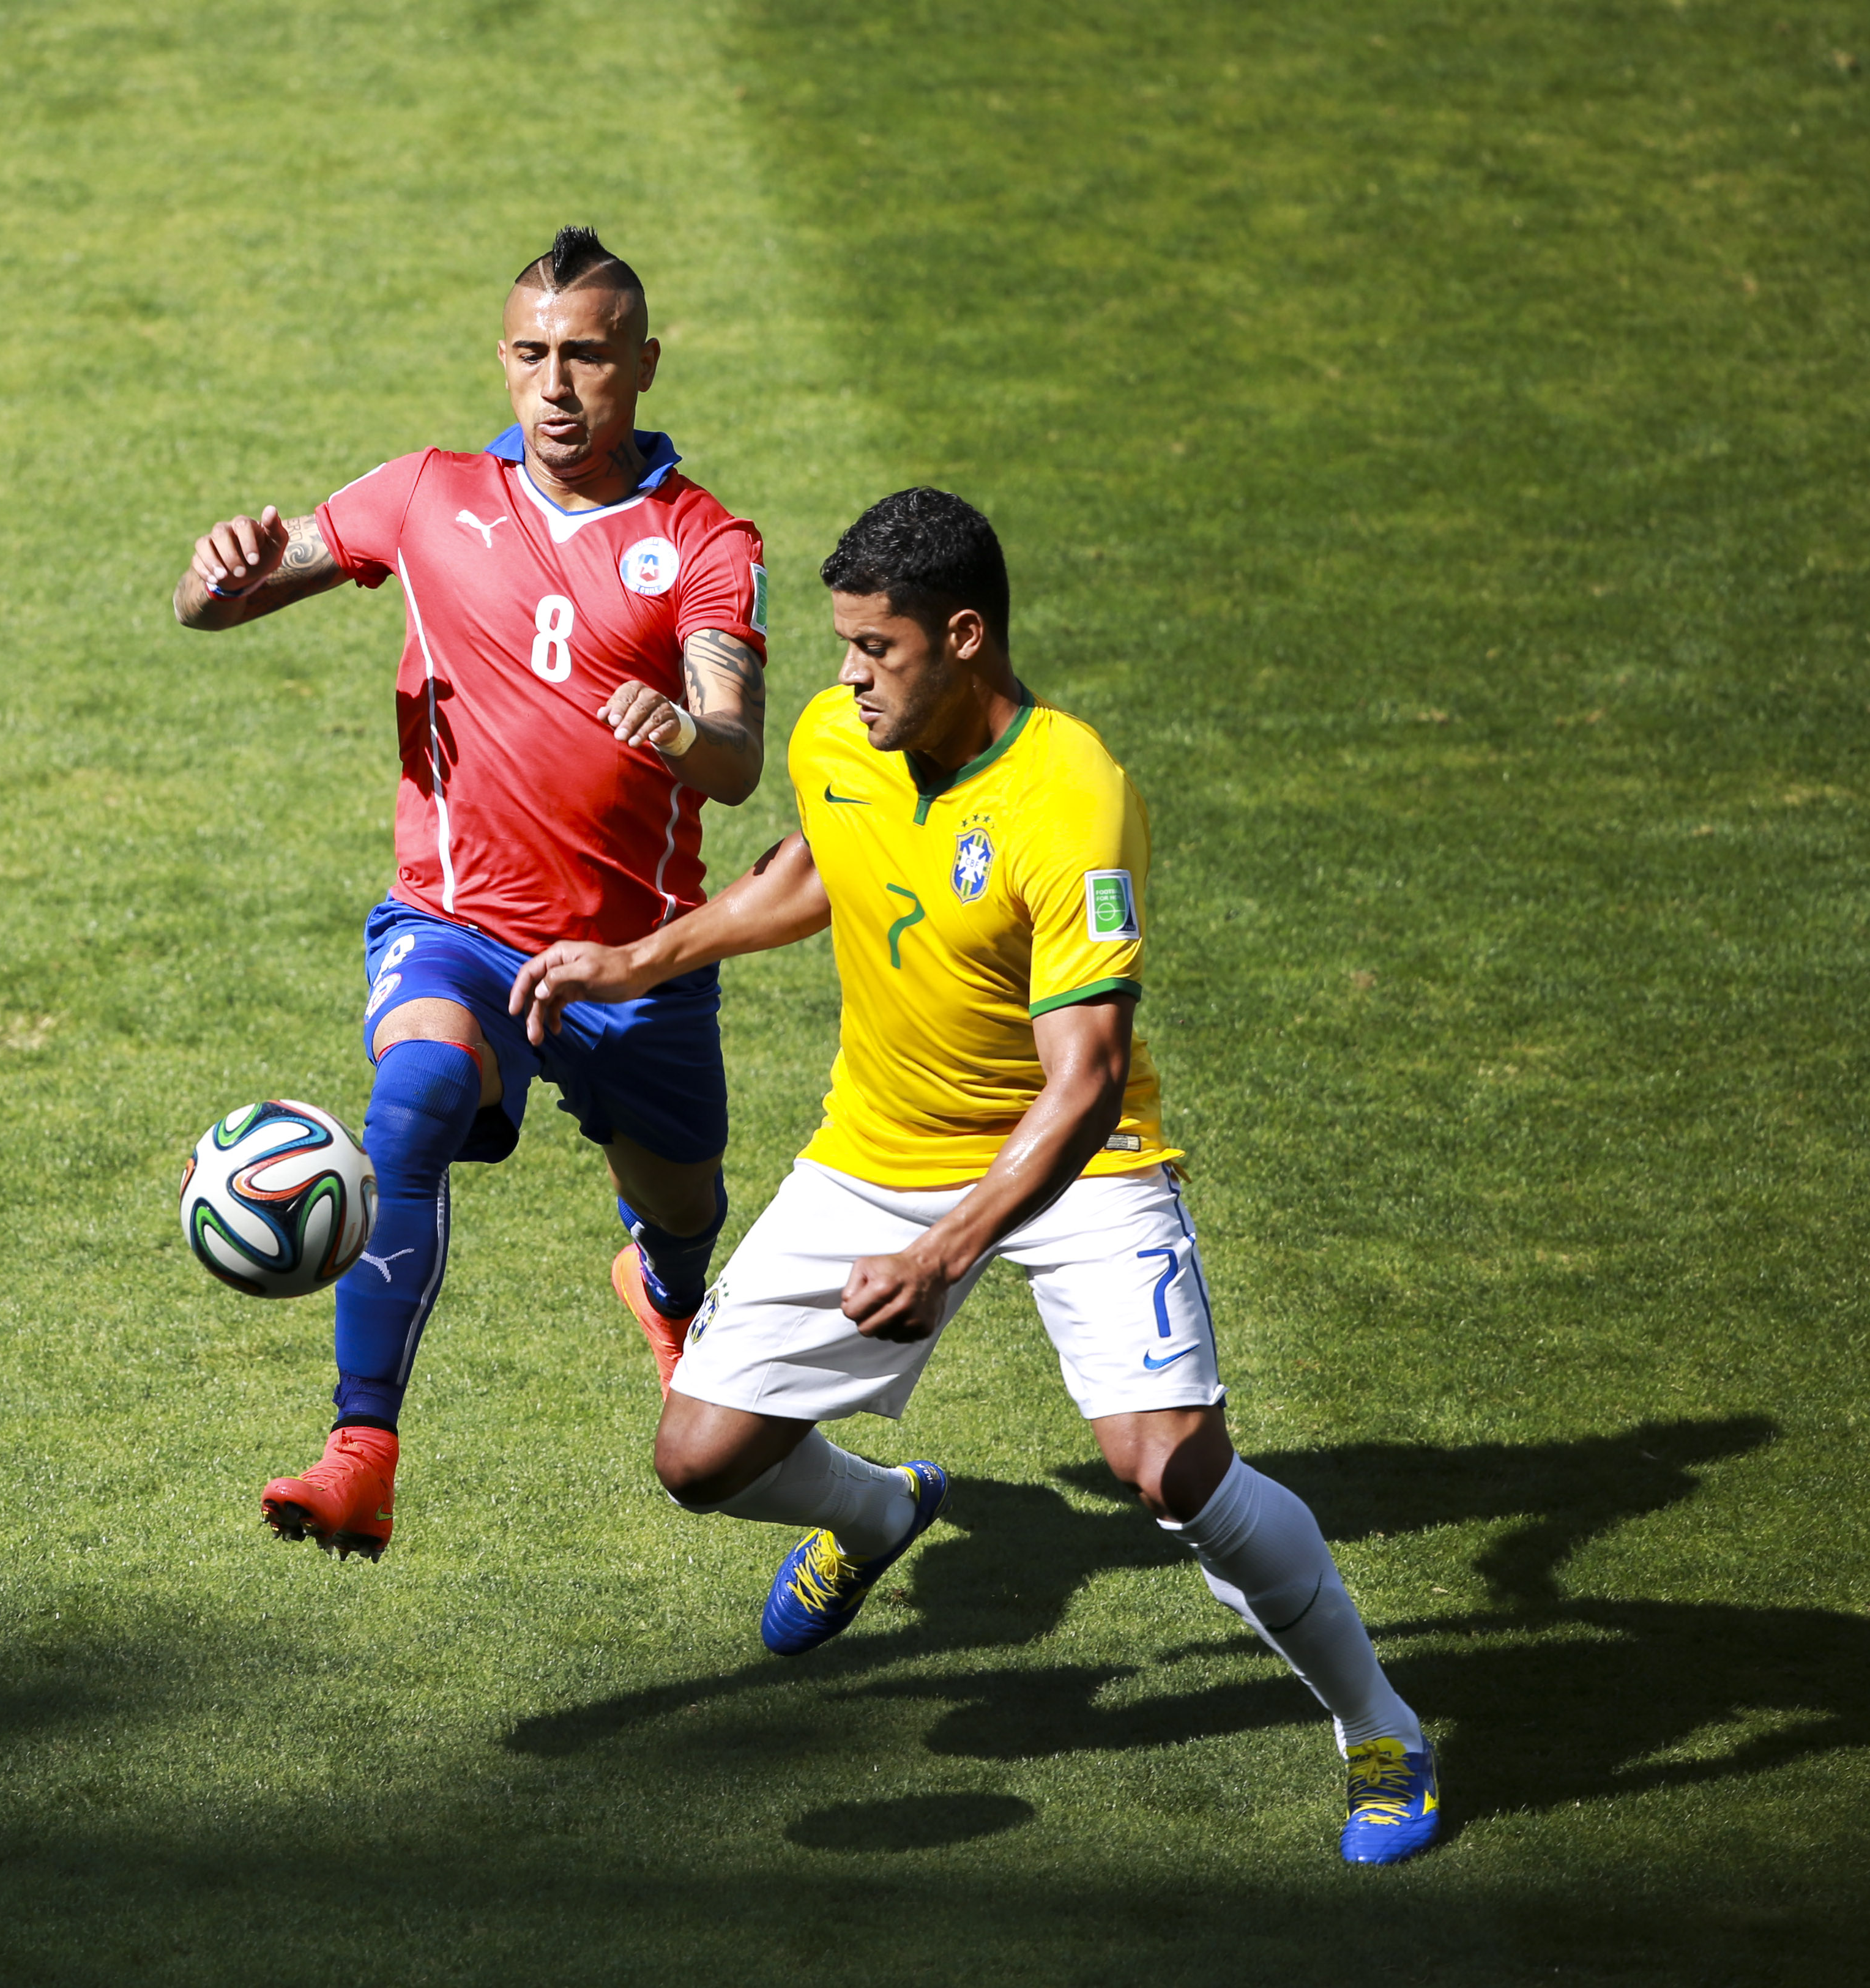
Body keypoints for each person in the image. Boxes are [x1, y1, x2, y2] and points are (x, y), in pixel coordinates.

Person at [509, 487, 1441, 1865]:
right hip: (875, 1148)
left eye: (874, 648)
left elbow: (1081, 1085)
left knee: (1170, 1468)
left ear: (963, 637)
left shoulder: (1075, 794)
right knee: (698, 1459)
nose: (843, 675)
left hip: (1079, 1165)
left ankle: (1381, 1726)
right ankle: (879, 1510)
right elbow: (813, 867)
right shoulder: (845, 734)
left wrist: (944, 1253)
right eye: (841, 642)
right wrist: (640, 957)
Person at [173, 227, 769, 1562]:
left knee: (681, 1211)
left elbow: (736, 757)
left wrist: (684, 733)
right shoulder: (422, 495)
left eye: (589, 357)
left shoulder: (705, 543)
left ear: (644, 366)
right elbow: (215, 605)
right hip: (457, 924)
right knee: (418, 1097)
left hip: (640, 958)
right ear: (504, 360)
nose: (557, 387)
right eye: (532, 355)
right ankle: (361, 1450)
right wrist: (215, 577)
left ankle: (663, 1291)